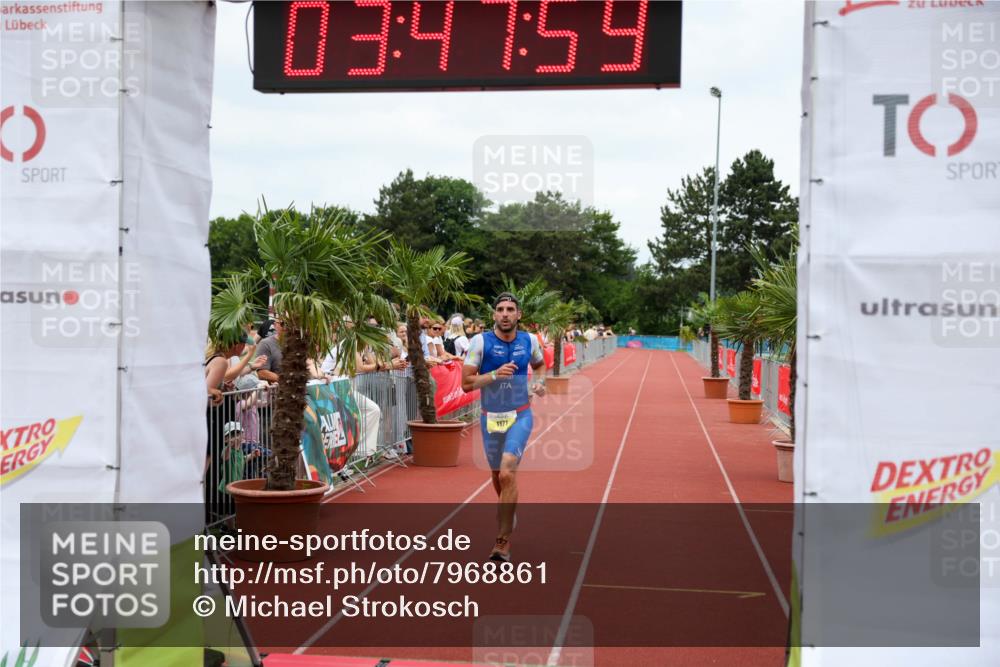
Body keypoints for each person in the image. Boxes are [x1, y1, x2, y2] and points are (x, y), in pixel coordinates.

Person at [462, 292, 546, 562]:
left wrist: (539, 383)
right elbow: (466, 383)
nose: (506, 314)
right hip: (491, 417)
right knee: (498, 475)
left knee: (508, 472)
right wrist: (495, 374)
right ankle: (508, 510)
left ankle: (502, 541)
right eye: (500, 309)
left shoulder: (530, 340)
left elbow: (541, 365)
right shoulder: (480, 342)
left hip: (520, 415)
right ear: (494, 315)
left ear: (519, 314)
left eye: (511, 309)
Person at [255, 319, 283, 383]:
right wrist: (285, 381)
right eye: (283, 324)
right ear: (275, 325)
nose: (287, 327)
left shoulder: (299, 342)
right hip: (278, 389)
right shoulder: (266, 344)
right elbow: (261, 372)